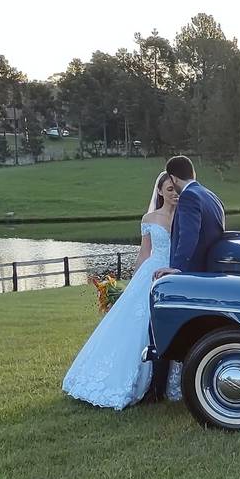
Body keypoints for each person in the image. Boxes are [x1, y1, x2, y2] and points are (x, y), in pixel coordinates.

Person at [62, 172, 183, 409]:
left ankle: (167, 383)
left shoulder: (184, 216)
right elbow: (144, 253)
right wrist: (133, 283)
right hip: (151, 272)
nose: (174, 194)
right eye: (169, 190)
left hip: (175, 273)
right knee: (137, 326)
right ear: (159, 192)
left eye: (176, 190)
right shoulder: (149, 218)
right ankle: (133, 382)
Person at [150, 155, 225, 399]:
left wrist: (178, 268)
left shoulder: (190, 197)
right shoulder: (210, 195)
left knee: (164, 329)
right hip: (209, 271)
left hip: (192, 275)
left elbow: (189, 236)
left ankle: (157, 390)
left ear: (173, 177)